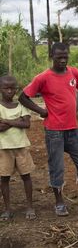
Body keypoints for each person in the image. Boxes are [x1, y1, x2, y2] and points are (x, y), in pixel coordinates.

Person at [19, 42, 78, 217]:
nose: (63, 60)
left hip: (73, 129)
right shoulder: (43, 77)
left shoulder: (74, 73)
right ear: (51, 56)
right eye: (59, 57)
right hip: (53, 131)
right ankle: (59, 202)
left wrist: (77, 108)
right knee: (57, 167)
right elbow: (23, 97)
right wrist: (42, 111)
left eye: (65, 56)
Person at [0, 75, 35, 221]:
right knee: (4, 179)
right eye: (5, 88)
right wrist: (17, 121)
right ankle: (8, 209)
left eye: (12, 88)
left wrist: (7, 121)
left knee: (26, 176)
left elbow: (27, 124)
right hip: (3, 148)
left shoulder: (21, 106)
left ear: (16, 89)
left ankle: (30, 206)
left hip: (21, 147)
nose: (9, 91)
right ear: (0, 89)